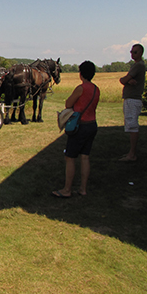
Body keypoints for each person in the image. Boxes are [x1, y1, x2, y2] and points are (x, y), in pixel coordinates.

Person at [52, 61, 100, 198]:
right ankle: (83, 189)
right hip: (92, 124)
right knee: (85, 157)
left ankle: (67, 190)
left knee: (70, 157)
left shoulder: (81, 88)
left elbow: (68, 103)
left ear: (81, 74)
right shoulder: (96, 89)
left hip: (81, 126)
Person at [119, 44, 146, 162]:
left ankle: (132, 155)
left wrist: (126, 80)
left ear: (140, 53)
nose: (132, 54)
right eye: (131, 52)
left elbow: (123, 80)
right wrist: (127, 80)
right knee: (131, 125)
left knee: (132, 126)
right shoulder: (138, 65)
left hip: (133, 99)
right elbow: (125, 80)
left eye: (135, 52)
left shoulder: (138, 66)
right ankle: (131, 152)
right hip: (133, 99)